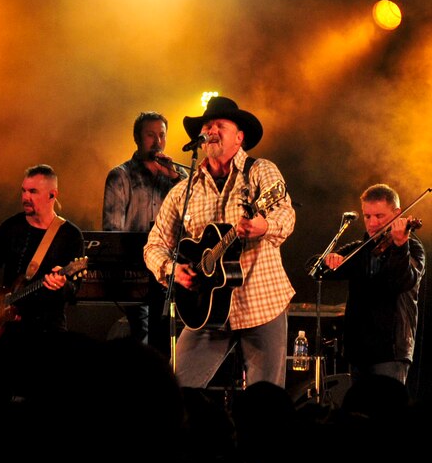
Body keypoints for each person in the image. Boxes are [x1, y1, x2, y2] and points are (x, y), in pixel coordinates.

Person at [143, 96, 296, 389]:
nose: (212, 130)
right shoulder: (183, 191)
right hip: (206, 311)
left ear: (239, 137)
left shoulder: (260, 171)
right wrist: (172, 269)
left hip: (261, 304)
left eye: (220, 125)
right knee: (175, 391)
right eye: (207, 126)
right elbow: (154, 245)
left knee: (265, 403)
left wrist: (264, 226)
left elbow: (285, 216)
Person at [0, 164, 85, 409]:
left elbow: (75, 291)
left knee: (46, 401)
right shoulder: (11, 227)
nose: (24, 197)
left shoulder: (70, 236)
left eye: (32, 191)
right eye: (23, 190)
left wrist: (61, 285)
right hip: (7, 333)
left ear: (52, 195)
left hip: (48, 333)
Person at [321, 183, 425, 386]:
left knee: (386, 413)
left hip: (390, 351)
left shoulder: (412, 247)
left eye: (379, 216)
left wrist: (400, 247)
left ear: (397, 214)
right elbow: (315, 269)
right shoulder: (360, 249)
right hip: (359, 350)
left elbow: (403, 280)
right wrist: (327, 260)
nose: (372, 223)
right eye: (367, 216)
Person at [102, 110, 186, 355]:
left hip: (170, 271)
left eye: (162, 135)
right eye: (151, 135)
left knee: (170, 338)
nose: (157, 142)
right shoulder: (121, 176)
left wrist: (174, 177)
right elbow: (113, 231)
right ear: (137, 138)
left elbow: (195, 212)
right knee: (143, 335)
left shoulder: (175, 178)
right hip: (135, 271)